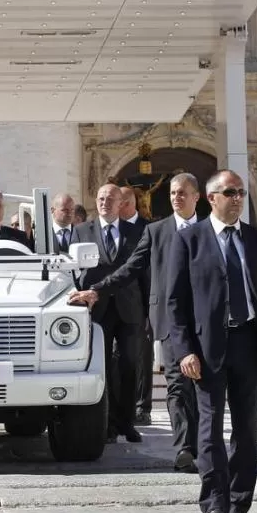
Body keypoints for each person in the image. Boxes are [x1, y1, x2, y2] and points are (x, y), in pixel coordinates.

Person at [166, 169, 257, 513]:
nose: (237, 198)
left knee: (247, 431)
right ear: (212, 198)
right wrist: (184, 350)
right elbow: (175, 303)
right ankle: (213, 503)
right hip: (207, 350)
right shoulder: (189, 241)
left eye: (241, 193)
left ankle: (239, 505)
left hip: (251, 345)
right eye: (230, 192)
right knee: (209, 429)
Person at [69, 173, 204, 473]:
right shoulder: (156, 232)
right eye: (172, 193)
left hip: (206, 321)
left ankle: (204, 443)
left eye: (182, 193)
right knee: (177, 387)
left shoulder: (210, 231)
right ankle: (185, 448)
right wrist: (97, 290)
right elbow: (131, 269)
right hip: (170, 321)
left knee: (203, 388)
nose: (176, 198)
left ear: (197, 197)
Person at [69, 184, 144, 444]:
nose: (104, 202)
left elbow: (142, 271)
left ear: (121, 202)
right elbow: (74, 272)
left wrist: (148, 309)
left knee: (130, 366)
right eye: (100, 198)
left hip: (130, 308)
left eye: (110, 199)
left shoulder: (138, 231)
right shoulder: (81, 231)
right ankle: (108, 423)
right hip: (96, 309)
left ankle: (128, 423)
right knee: (102, 366)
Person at [119, 186, 154, 426]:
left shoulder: (148, 229)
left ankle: (143, 407)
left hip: (141, 304)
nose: (116, 205)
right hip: (114, 305)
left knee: (142, 358)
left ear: (130, 202)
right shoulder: (108, 228)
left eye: (121, 201)